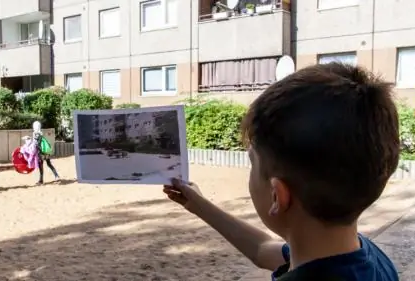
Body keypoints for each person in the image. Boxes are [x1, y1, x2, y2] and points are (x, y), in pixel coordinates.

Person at [164, 63, 400, 281]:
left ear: (277, 196)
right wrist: (197, 204)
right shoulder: (369, 258)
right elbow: (262, 250)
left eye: (252, 163)